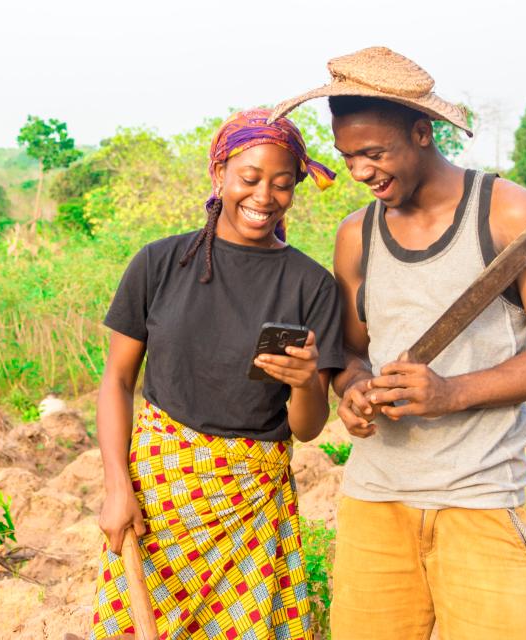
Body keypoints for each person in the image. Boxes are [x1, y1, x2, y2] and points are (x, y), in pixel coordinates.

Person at [269, 47, 526, 639]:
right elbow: (350, 353)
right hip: (375, 502)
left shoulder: (511, 215)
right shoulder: (355, 236)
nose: (360, 172)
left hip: (479, 500)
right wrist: (354, 389)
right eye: (347, 157)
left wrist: (452, 392)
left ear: (423, 132)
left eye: (373, 154)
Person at [89, 108, 345, 640]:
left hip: (252, 505)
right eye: (249, 179)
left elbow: (307, 426)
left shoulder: (312, 285)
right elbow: (117, 381)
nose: (263, 197)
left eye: (281, 184)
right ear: (219, 175)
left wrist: (302, 381)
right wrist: (118, 487)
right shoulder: (159, 263)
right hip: (160, 499)